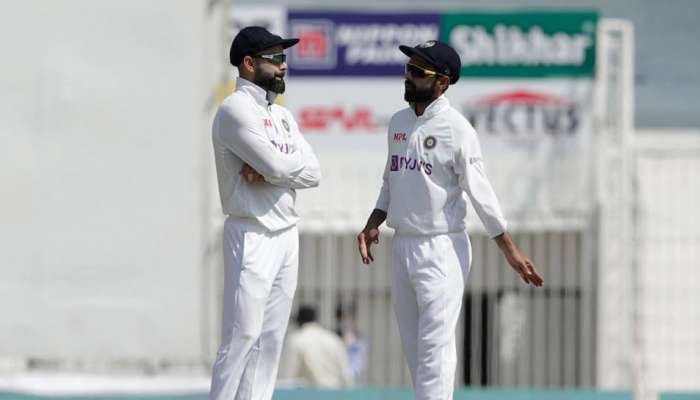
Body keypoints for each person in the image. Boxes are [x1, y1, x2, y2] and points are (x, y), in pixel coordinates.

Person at [356, 40, 544, 400]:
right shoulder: (398, 121)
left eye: (417, 72)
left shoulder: (458, 130)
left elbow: (481, 194)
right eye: (408, 68)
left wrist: (511, 251)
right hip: (403, 247)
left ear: (443, 82)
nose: (407, 76)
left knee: (435, 354)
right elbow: (391, 180)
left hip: (441, 248)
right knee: (416, 355)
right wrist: (373, 222)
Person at [209, 26, 321, 400]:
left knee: (271, 339)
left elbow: (314, 172)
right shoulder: (234, 109)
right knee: (241, 335)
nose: (284, 65)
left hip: (287, 232)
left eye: (284, 58)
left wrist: (273, 172)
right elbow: (278, 165)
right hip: (251, 230)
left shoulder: (282, 116)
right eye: (276, 59)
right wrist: (277, 169)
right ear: (249, 63)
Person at [278, 305, 354, 388]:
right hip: (334, 394)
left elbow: (287, 378)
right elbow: (346, 376)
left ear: (299, 321)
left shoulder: (296, 340)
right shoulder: (333, 339)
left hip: (309, 395)